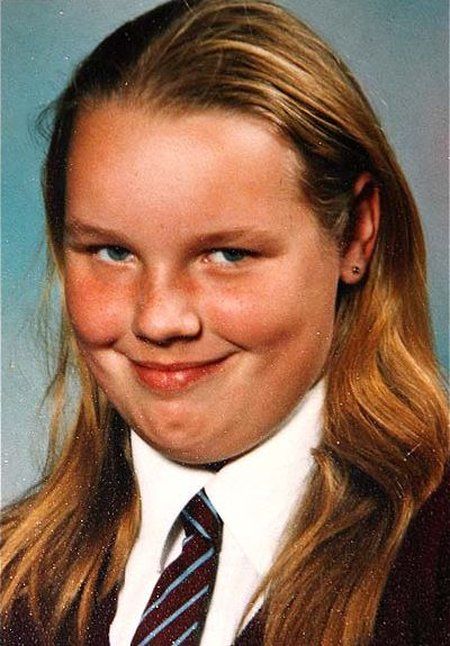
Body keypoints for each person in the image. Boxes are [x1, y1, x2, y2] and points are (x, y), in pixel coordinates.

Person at [1, 1, 448, 644]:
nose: (159, 319)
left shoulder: (433, 568)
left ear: (356, 234)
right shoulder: (13, 582)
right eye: (113, 252)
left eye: (228, 255)